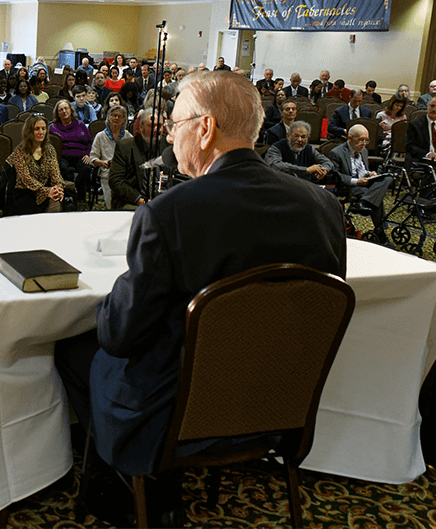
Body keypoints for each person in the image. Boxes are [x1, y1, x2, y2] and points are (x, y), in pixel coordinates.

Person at [54, 72, 346, 524]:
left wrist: (117, 291)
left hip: (176, 415)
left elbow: (120, 335)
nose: (169, 134)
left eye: (174, 124)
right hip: (279, 403)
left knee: (75, 349)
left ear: (205, 129)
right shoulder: (323, 207)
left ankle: (130, 481)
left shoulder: (169, 213)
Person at [329, 124, 394, 244]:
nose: (364, 143)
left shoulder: (364, 151)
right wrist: (356, 181)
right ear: (350, 138)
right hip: (347, 187)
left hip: (363, 185)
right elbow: (335, 176)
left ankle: (363, 202)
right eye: (360, 140)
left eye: (366, 140)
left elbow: (361, 170)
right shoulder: (336, 153)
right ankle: (380, 232)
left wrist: (370, 174)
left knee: (388, 178)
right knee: (377, 199)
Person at [5, 115, 65, 214]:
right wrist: (47, 191)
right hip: (24, 193)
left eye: (43, 129)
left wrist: (58, 188)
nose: (41, 132)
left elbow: (56, 174)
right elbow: (25, 178)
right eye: (37, 129)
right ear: (29, 131)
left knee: (58, 203)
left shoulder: (50, 149)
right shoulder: (20, 151)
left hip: (46, 191)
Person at [50, 99, 93, 204]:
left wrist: (88, 154)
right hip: (62, 156)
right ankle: (68, 195)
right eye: (61, 110)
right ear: (57, 113)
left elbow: (90, 142)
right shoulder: (52, 127)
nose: (64, 111)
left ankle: (80, 194)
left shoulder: (80, 125)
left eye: (66, 108)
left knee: (86, 168)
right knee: (62, 168)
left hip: (81, 155)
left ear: (71, 110)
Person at [266, 120, 333, 183]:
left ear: (308, 138)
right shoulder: (276, 148)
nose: (299, 140)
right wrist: (306, 170)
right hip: (282, 186)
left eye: (303, 137)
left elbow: (327, 162)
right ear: (288, 136)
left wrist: (323, 170)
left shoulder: (309, 148)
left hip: (304, 187)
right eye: (296, 136)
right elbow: (275, 165)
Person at [90, 105, 127, 209]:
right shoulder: (100, 136)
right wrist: (102, 163)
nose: (116, 118)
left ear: (124, 119)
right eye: (114, 115)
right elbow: (93, 158)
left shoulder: (128, 136)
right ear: (109, 117)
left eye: (120, 116)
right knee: (111, 204)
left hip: (124, 174)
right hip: (107, 173)